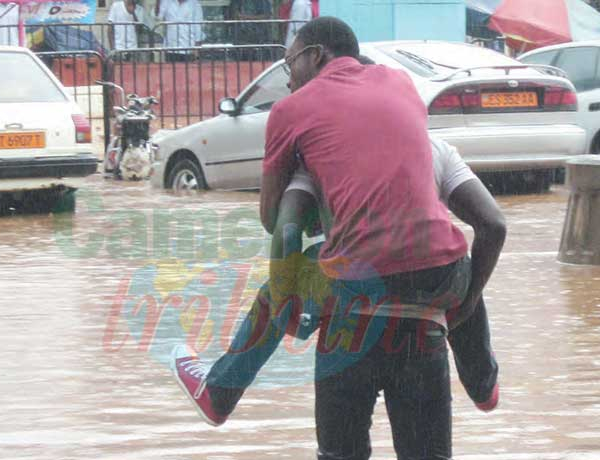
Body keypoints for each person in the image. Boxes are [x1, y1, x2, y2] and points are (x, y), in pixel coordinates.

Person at [170, 131, 504, 427]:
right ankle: (482, 384)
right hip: (427, 284)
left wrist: (286, 308)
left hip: (353, 285)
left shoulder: (322, 152)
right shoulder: (434, 146)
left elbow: (286, 233)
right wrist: (467, 302)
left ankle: (220, 392)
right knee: (460, 266)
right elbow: (493, 225)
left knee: (279, 281)